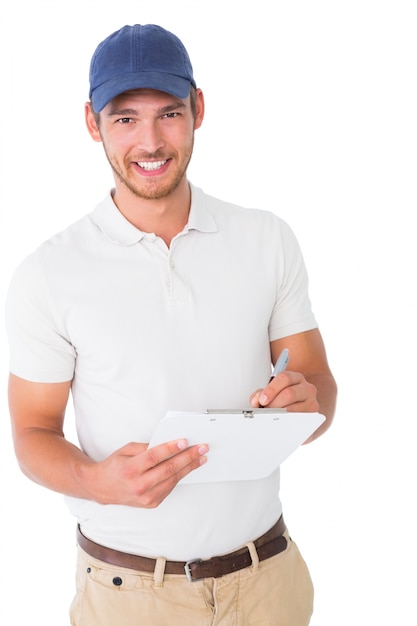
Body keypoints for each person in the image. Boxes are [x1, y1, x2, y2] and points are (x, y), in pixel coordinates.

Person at [5, 23, 337, 626]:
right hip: (128, 595)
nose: (151, 141)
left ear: (198, 110)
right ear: (92, 123)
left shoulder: (267, 239)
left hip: (269, 584)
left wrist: (306, 404)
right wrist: (96, 481)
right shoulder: (47, 274)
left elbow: (319, 388)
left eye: (169, 113)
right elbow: (31, 433)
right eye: (125, 118)